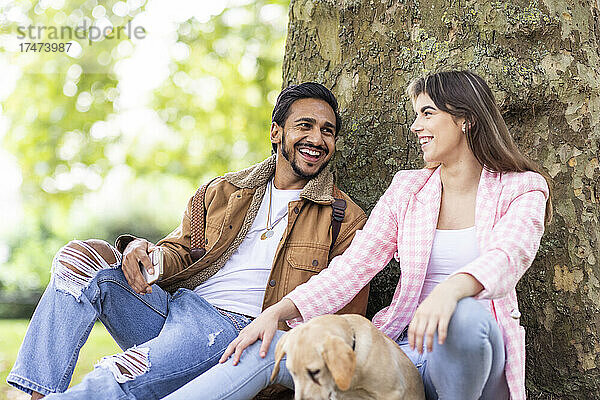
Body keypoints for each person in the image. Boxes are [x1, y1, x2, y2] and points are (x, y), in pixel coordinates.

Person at [165, 70, 552, 400]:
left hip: (475, 355)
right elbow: (352, 267)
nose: (416, 127)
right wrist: (277, 314)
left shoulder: (522, 188)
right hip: (408, 355)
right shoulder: (409, 189)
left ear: (465, 119)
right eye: (415, 115)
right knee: (270, 343)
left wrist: (450, 293)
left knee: (464, 317)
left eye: (427, 114)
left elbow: (508, 256)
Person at [7, 82, 370, 400]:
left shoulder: (344, 219)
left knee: (124, 372)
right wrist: (146, 253)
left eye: (328, 131)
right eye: (304, 126)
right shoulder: (224, 191)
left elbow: (346, 316)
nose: (317, 139)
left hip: (236, 333)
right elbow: (180, 251)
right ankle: (37, 394)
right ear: (276, 132)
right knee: (78, 259)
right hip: (178, 308)